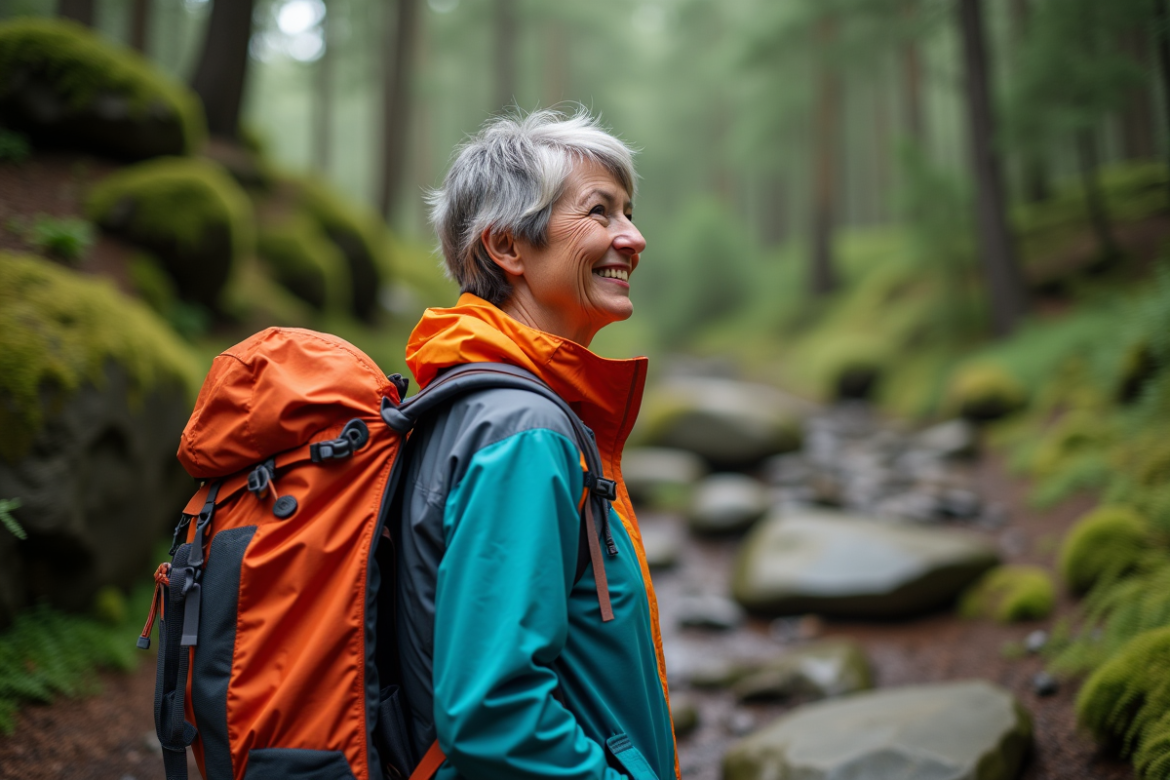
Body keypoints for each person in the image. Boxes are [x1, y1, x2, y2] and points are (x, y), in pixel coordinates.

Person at [393, 107, 678, 780]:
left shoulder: (474, 402)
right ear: (508, 248)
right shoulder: (523, 432)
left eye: (629, 212)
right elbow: (495, 714)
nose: (633, 238)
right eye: (600, 213)